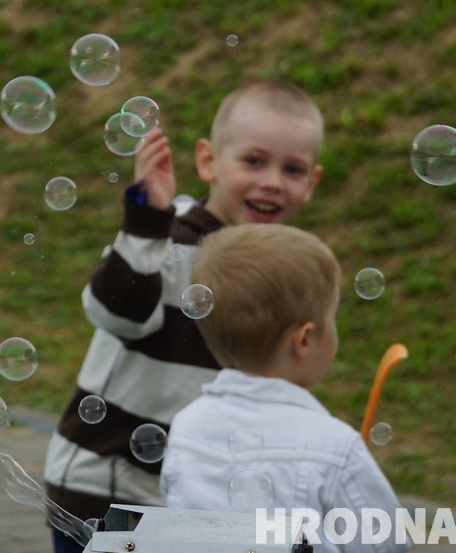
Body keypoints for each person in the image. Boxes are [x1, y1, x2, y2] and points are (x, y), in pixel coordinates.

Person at [43, 79, 325, 553]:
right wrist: (145, 221)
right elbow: (115, 311)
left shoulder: (283, 271)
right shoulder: (166, 240)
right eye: (254, 161)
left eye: (292, 169)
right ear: (208, 161)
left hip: (194, 503)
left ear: (311, 183)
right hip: (110, 492)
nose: (273, 181)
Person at [160, 223, 406, 553]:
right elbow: (386, 544)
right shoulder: (335, 448)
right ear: (304, 340)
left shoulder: (187, 426)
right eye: (331, 317)